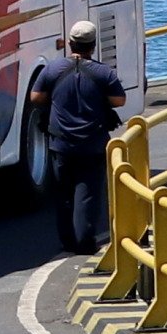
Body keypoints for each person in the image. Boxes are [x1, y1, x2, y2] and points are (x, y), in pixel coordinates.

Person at [33, 18, 123, 255]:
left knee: (63, 194)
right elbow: (119, 100)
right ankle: (84, 241)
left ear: (70, 43)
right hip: (92, 143)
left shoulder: (53, 69)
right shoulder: (103, 72)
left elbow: (35, 97)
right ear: (93, 45)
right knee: (88, 194)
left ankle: (67, 241)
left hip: (60, 142)